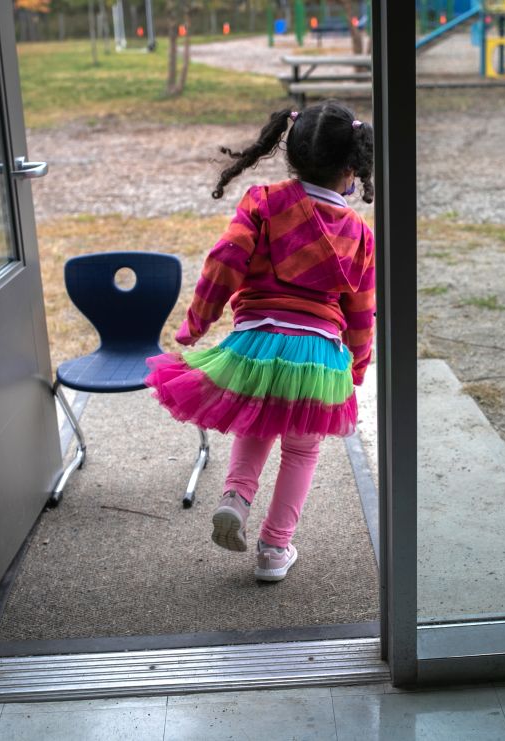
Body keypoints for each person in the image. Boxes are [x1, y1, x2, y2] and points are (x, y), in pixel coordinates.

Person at [145, 101, 375, 582]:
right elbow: (361, 311)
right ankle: (275, 549)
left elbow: (222, 262)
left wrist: (197, 323)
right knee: (302, 450)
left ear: (288, 153)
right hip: (316, 354)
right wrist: (356, 365)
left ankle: (236, 497)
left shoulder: (263, 202)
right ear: (351, 167)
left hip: (256, 340)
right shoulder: (358, 233)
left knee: (257, 420)